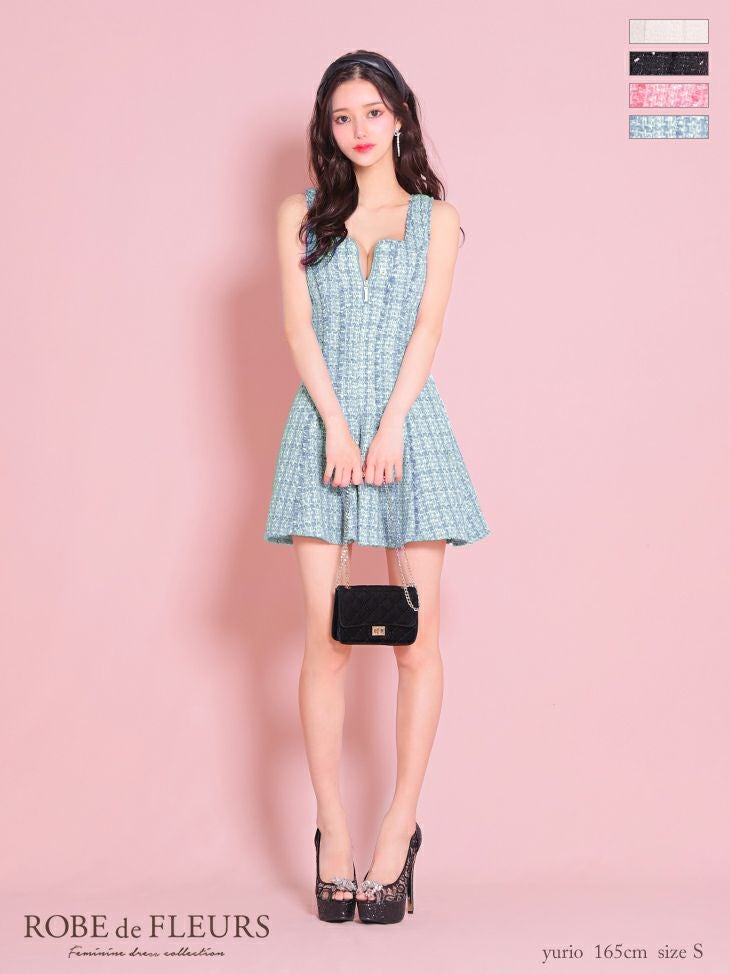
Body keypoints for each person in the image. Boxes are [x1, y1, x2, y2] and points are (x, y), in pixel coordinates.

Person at [264, 50, 491, 924]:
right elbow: (297, 329)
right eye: (342, 116)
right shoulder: (301, 215)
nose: (358, 129)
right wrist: (337, 425)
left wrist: (390, 424)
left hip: (409, 431)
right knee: (325, 642)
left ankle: (399, 827)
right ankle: (332, 827)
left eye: (372, 112)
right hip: (321, 434)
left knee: (414, 644)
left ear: (399, 116)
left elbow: (428, 330)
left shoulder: (438, 220)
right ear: (327, 128)